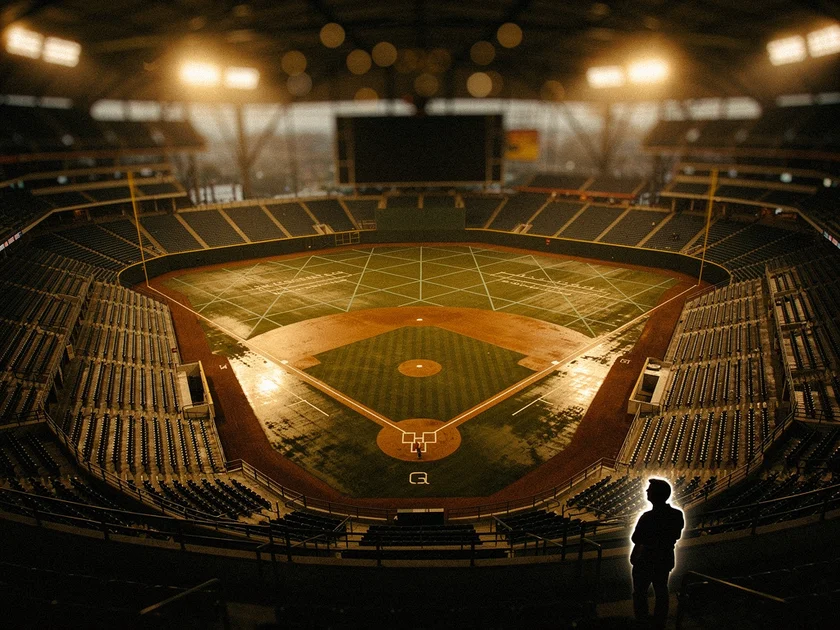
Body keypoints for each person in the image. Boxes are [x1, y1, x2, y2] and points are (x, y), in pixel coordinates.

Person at [630, 478, 684, 629]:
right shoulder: (677, 515)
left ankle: (642, 622)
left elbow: (636, 538)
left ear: (656, 495)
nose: (647, 491)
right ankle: (659, 623)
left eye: (650, 489)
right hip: (665, 559)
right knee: (661, 590)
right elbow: (675, 536)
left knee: (640, 593)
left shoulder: (647, 517)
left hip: (646, 560)